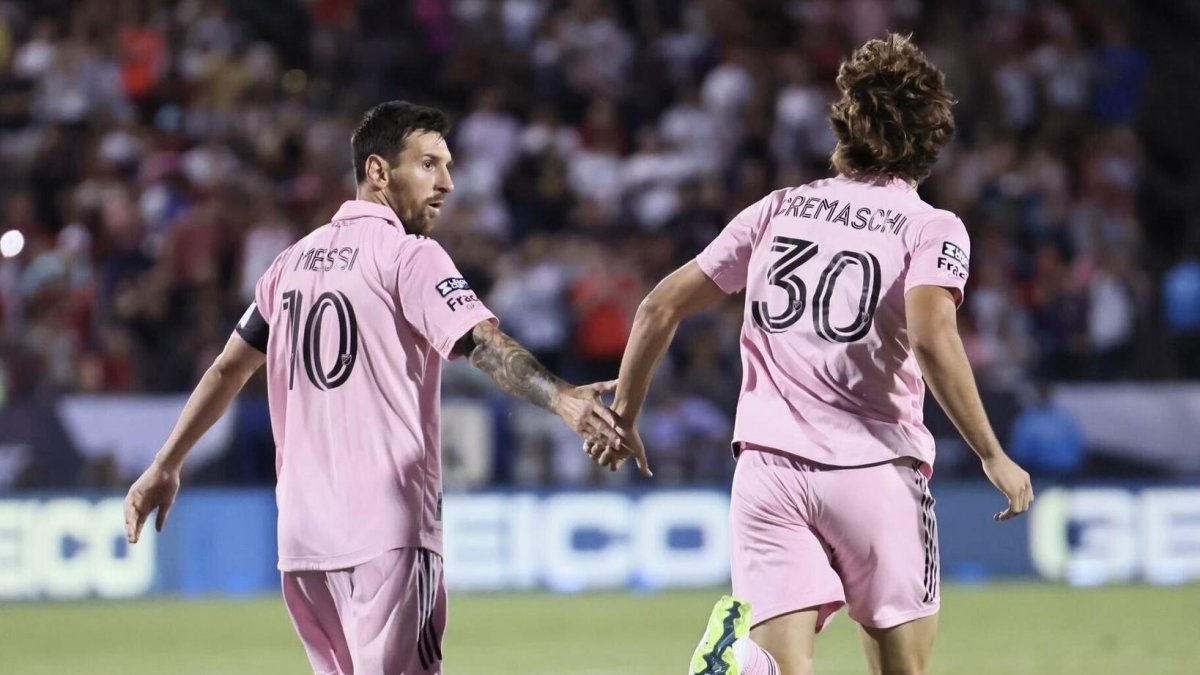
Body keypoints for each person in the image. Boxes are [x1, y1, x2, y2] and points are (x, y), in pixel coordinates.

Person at [123, 101, 624, 675]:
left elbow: (227, 370)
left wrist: (166, 463)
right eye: (430, 164)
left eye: (449, 166)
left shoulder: (290, 262)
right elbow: (481, 343)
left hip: (304, 540)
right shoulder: (409, 255)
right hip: (387, 528)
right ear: (380, 172)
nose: (448, 183)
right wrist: (561, 397)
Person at [589, 35, 1034, 675]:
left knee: (782, 667)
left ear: (843, 123)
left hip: (766, 472)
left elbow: (658, 306)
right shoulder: (930, 227)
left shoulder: (778, 210)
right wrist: (992, 453)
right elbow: (935, 336)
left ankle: (741, 664)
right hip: (875, 469)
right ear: (932, 137)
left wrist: (625, 414)